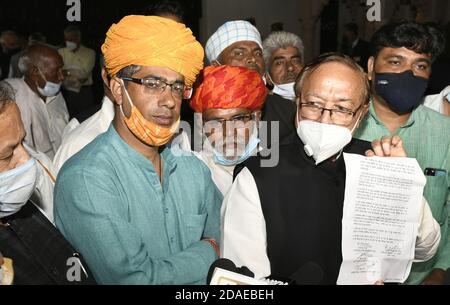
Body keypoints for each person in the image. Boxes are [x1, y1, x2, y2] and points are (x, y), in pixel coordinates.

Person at [221, 53, 440, 284]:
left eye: (342, 109)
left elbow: (424, 250)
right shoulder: (258, 174)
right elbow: (244, 281)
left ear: (362, 113)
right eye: (313, 104)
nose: (325, 120)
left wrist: (402, 187)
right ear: (297, 102)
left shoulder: (376, 162)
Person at [54, 15, 222, 285]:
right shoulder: (86, 179)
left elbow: (229, 239)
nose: (168, 100)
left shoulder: (194, 170)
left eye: (177, 87)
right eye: (153, 84)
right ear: (119, 90)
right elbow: (133, 280)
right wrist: (207, 251)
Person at [354, 21, 450, 285]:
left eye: (420, 66)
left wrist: (440, 270)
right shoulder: (346, 127)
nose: (409, 74)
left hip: (423, 276)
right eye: (396, 62)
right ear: (372, 67)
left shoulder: (446, 133)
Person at [0, 81, 94, 285]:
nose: (27, 160)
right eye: (8, 154)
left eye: (22, 142)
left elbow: (71, 265)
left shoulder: (22, 207)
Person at [190, 65, 267, 196]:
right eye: (216, 122)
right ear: (201, 125)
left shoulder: (277, 169)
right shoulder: (190, 174)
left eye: (238, 119)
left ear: (256, 118)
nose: (229, 132)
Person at [5, 44, 68, 160]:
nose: (61, 77)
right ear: (34, 72)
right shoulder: (12, 98)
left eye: (62, 69)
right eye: (55, 71)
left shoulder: (57, 95)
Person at [262, 31, 305, 146]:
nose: (290, 67)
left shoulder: (321, 101)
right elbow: (268, 159)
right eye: (279, 62)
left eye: (295, 60)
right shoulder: (265, 111)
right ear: (267, 76)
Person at [58, 25, 96, 121]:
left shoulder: (89, 53)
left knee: (85, 120)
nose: (68, 42)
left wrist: (67, 72)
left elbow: (84, 74)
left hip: (83, 93)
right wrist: (76, 73)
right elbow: (59, 72)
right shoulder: (60, 52)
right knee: (66, 119)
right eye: (66, 40)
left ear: (78, 39)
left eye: (71, 39)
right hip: (65, 92)